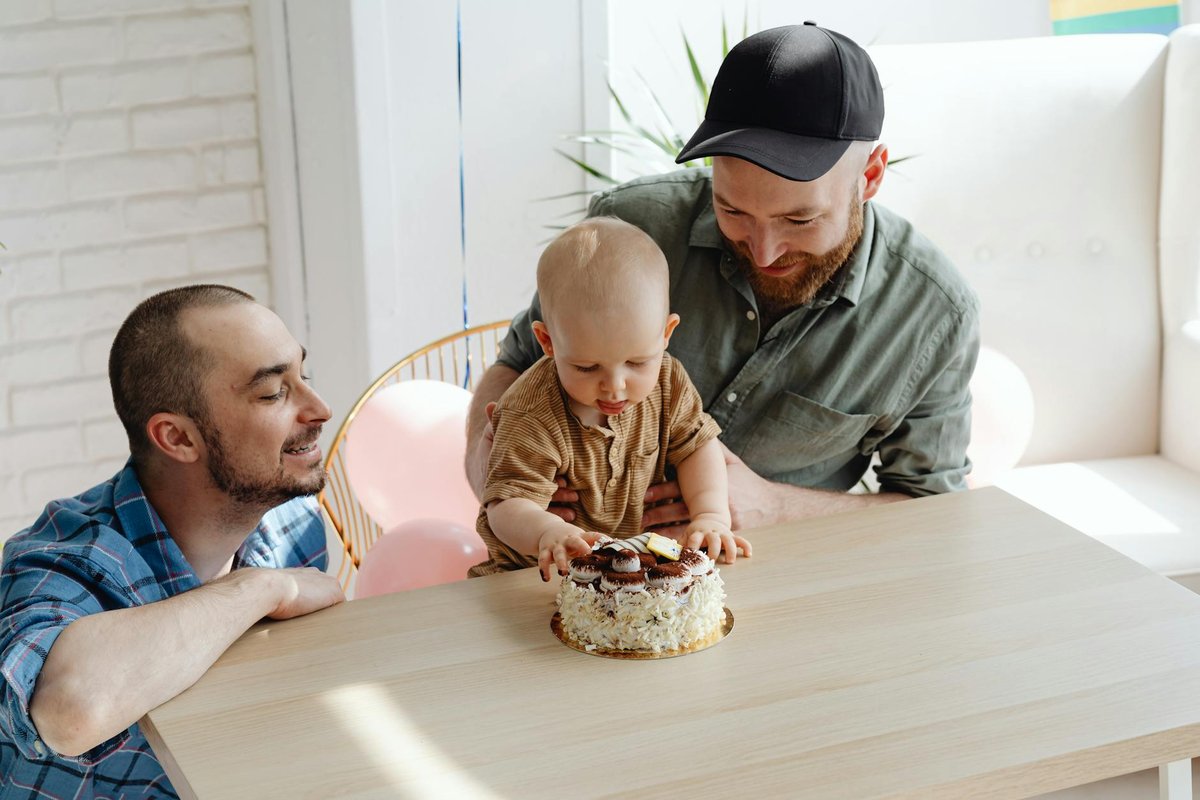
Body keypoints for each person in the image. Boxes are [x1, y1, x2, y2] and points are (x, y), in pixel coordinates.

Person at [466, 22, 980, 535]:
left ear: (869, 177)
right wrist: (489, 472)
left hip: (774, 571)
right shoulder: (633, 226)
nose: (763, 250)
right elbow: (517, 364)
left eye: (798, 220)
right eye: (732, 209)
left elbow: (934, 508)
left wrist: (778, 508)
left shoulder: (933, 314)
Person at [0, 285, 345, 799]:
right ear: (178, 438)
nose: (320, 409)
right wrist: (260, 590)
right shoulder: (63, 562)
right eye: (274, 392)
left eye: (304, 375)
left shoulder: (293, 523)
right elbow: (67, 709)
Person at [469, 218, 752, 581]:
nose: (614, 387)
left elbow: (697, 447)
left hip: (627, 573)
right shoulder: (532, 412)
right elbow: (505, 504)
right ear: (548, 343)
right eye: (587, 367)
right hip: (537, 574)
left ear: (665, 333)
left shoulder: (669, 379)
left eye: (637, 362)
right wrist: (546, 531)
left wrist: (711, 515)